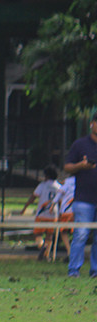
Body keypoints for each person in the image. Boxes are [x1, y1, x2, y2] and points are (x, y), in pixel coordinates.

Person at [63, 112, 97, 277]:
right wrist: (81, 166)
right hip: (84, 199)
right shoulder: (80, 144)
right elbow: (67, 167)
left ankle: (95, 271)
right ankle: (74, 270)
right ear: (92, 124)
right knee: (80, 235)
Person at [20, 165, 60, 260]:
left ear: (47, 175)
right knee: (49, 235)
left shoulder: (43, 185)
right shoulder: (59, 186)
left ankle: (42, 246)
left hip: (42, 213)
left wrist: (25, 208)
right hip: (53, 214)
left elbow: (33, 197)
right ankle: (47, 255)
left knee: (38, 233)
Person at [49, 175, 75, 262]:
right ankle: (74, 251)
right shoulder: (83, 180)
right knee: (77, 231)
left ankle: (69, 251)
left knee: (63, 231)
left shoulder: (68, 181)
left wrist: (53, 204)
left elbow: (60, 193)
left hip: (66, 210)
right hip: (77, 209)